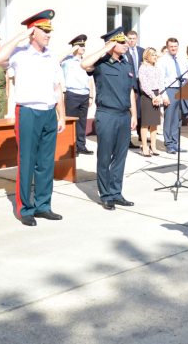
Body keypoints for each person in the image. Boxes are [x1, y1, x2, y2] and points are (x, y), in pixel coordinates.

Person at [0, 9, 66, 226]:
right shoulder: (19, 54)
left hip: (49, 112)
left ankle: (43, 205)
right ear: (32, 32)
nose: (49, 34)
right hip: (28, 112)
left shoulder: (52, 56)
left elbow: (57, 87)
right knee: (27, 162)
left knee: (46, 163)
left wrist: (61, 115)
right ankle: (25, 209)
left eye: (49, 31)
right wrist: (19, 37)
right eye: (44, 31)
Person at [80, 27, 138, 210]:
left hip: (124, 115)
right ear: (111, 44)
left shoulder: (126, 64)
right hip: (107, 114)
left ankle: (116, 193)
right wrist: (104, 49)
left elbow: (130, 91)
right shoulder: (101, 63)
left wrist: (134, 114)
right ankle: (106, 195)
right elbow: (84, 64)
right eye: (121, 42)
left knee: (120, 157)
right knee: (105, 156)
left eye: (126, 41)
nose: (126, 45)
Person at [59, 34, 94, 156]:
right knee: (71, 122)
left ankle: (81, 146)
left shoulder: (86, 61)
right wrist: (70, 51)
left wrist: (91, 96)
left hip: (84, 94)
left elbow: (90, 80)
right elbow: (56, 61)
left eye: (84, 45)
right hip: (72, 94)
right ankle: (72, 147)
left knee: (82, 122)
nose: (83, 48)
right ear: (75, 47)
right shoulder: (67, 61)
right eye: (80, 46)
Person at [159, 37, 188, 154]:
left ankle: (175, 142)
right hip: (170, 90)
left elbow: (186, 76)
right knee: (169, 118)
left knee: (177, 119)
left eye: (175, 46)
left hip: (181, 89)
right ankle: (169, 144)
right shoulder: (163, 60)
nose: (173, 48)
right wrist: (164, 96)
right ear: (167, 47)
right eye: (171, 46)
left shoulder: (181, 59)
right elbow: (160, 80)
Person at [139, 47, 164, 156]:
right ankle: (144, 146)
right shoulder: (143, 68)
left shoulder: (157, 68)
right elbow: (144, 85)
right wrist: (153, 96)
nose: (154, 57)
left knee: (154, 123)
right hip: (147, 96)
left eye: (155, 55)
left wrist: (160, 95)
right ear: (147, 56)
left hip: (157, 95)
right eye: (152, 55)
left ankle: (153, 146)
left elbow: (161, 83)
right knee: (146, 123)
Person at [126, 30, 144, 149]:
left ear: (137, 39)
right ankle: (128, 139)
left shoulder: (142, 51)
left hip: (141, 83)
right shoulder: (124, 51)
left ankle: (141, 134)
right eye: (130, 38)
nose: (132, 41)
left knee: (141, 109)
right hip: (130, 83)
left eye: (134, 39)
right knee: (130, 110)